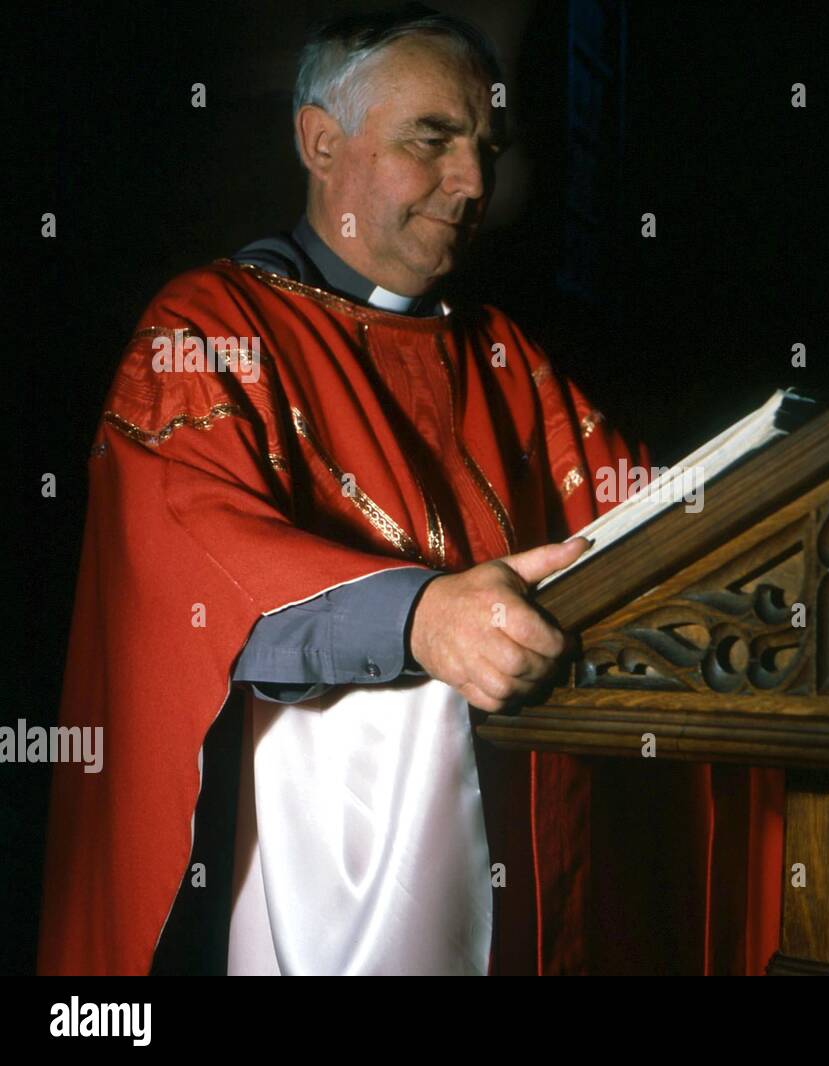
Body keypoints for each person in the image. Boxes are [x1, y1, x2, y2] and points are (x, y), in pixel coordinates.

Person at [38, 6, 651, 975]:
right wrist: (422, 619)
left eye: (486, 148)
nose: (474, 183)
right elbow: (195, 577)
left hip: (526, 869)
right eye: (433, 141)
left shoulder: (504, 354)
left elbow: (642, 518)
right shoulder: (208, 329)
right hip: (305, 880)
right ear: (320, 143)